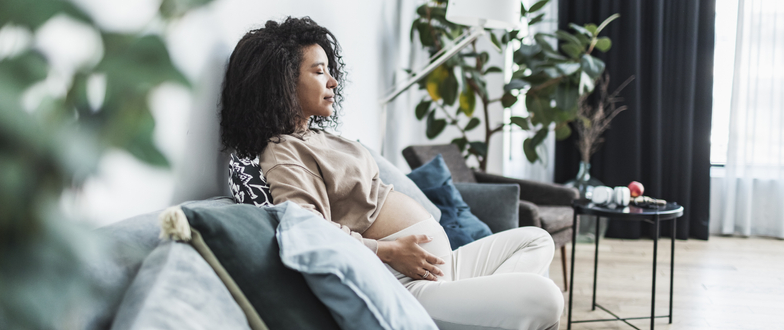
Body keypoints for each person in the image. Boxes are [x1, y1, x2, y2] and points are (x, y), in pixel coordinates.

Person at [219, 16, 563, 330]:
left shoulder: (315, 134)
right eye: (319, 71)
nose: (333, 81)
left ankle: (473, 312)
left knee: (536, 239)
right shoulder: (283, 151)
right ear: (282, 82)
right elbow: (309, 229)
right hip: (403, 285)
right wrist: (388, 251)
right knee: (545, 298)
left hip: (437, 270)